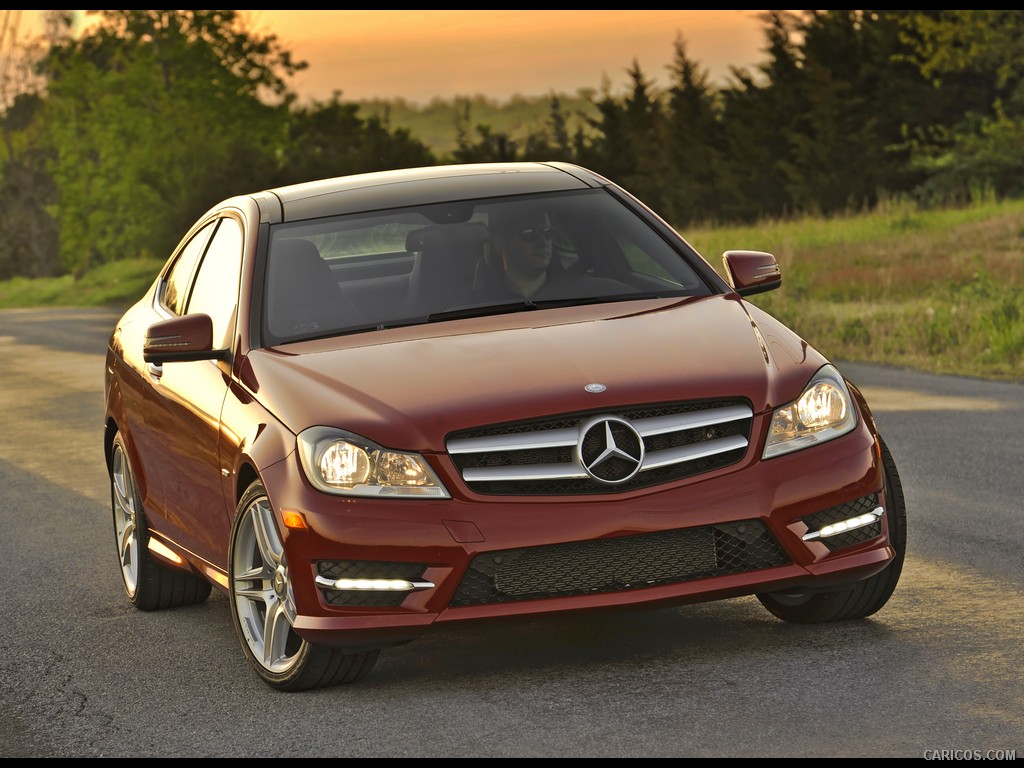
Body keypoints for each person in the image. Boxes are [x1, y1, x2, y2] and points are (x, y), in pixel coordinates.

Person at [472, 204, 565, 301]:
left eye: (548, 232)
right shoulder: (476, 302)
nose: (543, 242)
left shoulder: (572, 292)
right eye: (529, 234)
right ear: (500, 244)